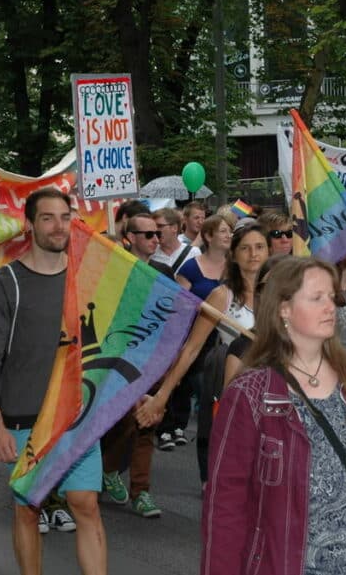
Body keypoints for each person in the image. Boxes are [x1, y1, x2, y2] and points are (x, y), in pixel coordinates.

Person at [202, 256, 346, 575]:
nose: (330, 306)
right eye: (316, 298)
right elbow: (225, 502)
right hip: (286, 563)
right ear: (284, 309)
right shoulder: (250, 393)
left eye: (331, 297)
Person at [0, 187, 106, 575]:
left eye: (65, 217)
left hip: (78, 414)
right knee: (28, 509)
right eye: (48, 218)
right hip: (23, 419)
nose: (58, 226)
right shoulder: (5, 283)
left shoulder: (87, 277)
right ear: (29, 225)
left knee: (85, 503)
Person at [136, 223, 269, 483]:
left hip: (279, 393)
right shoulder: (222, 295)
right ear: (234, 254)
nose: (253, 254)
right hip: (237, 392)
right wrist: (162, 396)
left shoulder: (284, 293)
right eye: (245, 248)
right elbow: (191, 349)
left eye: (259, 247)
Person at [100, 213, 169, 518]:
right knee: (123, 421)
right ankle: (107, 469)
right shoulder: (115, 272)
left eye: (158, 233)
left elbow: (172, 316)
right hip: (119, 362)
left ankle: (142, 492)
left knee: (146, 425)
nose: (156, 239)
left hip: (152, 360)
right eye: (149, 234)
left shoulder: (164, 272)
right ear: (130, 238)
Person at [150, 207, 199, 451]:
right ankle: (163, 426)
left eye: (159, 226)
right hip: (161, 324)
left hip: (187, 322)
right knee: (163, 374)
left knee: (184, 373)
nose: (155, 232)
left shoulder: (193, 253)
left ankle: (179, 423)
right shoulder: (153, 256)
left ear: (173, 227)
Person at [175, 215, 230, 300]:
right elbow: (178, 305)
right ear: (208, 236)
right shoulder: (190, 267)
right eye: (223, 231)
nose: (228, 235)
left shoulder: (235, 267)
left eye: (229, 231)